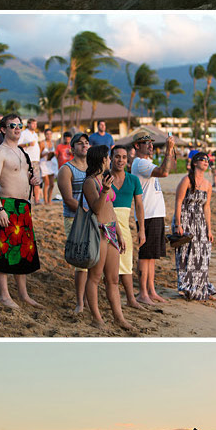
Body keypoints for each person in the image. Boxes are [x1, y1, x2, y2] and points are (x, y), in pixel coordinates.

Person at [0, 114, 40, 310]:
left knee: (23, 251)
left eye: (19, 126)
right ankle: (4, 294)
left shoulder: (22, 153)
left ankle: (23, 294)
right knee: (3, 251)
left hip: (23, 206)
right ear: (3, 129)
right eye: (12, 126)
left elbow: (25, 176)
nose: (17, 129)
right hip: (6, 204)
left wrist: (34, 180)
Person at [81, 146, 131, 331]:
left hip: (111, 229)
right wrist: (104, 190)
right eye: (108, 157)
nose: (110, 160)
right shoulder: (90, 182)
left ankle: (119, 317)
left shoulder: (104, 179)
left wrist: (119, 233)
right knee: (94, 277)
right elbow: (97, 208)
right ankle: (96, 317)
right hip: (98, 231)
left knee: (113, 279)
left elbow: (110, 209)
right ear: (102, 159)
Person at [131, 131, 177, 305]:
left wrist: (170, 151)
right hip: (148, 214)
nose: (150, 145)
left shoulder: (146, 162)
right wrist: (168, 149)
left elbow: (170, 168)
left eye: (151, 142)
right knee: (145, 255)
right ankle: (143, 292)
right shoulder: (140, 163)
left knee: (152, 256)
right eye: (146, 143)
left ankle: (151, 290)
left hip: (155, 212)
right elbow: (164, 172)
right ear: (137, 146)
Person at [172, 150, 216, 301]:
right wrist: (178, 224)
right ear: (195, 162)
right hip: (185, 220)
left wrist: (209, 229)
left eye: (207, 160)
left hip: (200, 223)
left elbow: (207, 207)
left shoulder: (208, 184)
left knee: (202, 256)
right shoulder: (187, 180)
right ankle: (186, 287)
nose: (206, 161)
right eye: (202, 159)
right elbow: (178, 202)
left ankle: (201, 287)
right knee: (185, 254)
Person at [58, 133, 92, 314]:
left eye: (86, 143)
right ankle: (80, 302)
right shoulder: (66, 169)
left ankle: (89, 299)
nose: (84, 146)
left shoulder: (92, 168)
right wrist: (87, 212)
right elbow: (69, 199)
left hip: (93, 218)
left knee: (92, 258)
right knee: (81, 261)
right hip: (75, 219)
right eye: (80, 144)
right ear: (72, 148)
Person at [109, 146, 147, 310]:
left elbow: (139, 205)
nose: (121, 160)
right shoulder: (103, 178)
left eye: (124, 157)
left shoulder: (133, 180)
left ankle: (131, 299)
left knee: (126, 264)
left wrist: (141, 229)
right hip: (106, 222)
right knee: (101, 263)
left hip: (124, 225)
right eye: (117, 156)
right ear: (111, 158)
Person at [19, 119, 43, 203]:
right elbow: (18, 145)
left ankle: (36, 199)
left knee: (36, 180)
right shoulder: (24, 133)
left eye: (36, 124)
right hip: (28, 160)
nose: (35, 126)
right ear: (28, 124)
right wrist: (27, 144)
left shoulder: (35, 134)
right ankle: (26, 199)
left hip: (36, 160)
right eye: (33, 124)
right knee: (27, 180)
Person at [40, 128, 59, 203]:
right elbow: (39, 155)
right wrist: (45, 154)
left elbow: (56, 153)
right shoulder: (42, 143)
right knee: (46, 182)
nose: (49, 135)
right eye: (47, 134)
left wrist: (54, 154)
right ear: (45, 135)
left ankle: (49, 199)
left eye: (50, 134)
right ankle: (45, 200)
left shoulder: (53, 142)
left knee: (52, 184)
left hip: (51, 164)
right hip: (44, 163)